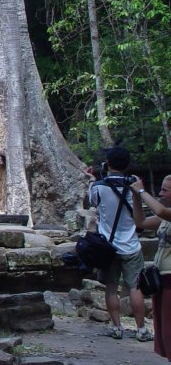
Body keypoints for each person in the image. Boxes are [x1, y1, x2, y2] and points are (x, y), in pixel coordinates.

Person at [87, 146, 151, 341]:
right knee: (135, 287)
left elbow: (91, 202)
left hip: (109, 246)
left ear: (108, 163)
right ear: (127, 165)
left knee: (111, 287)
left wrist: (91, 180)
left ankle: (117, 328)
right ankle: (141, 330)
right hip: (131, 245)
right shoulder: (135, 187)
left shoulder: (99, 186)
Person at [131, 174, 171, 357]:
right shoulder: (164, 218)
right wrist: (136, 197)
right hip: (161, 279)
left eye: (165, 190)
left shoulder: (166, 214)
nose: (161, 193)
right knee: (165, 329)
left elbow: (161, 212)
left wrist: (141, 190)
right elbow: (141, 222)